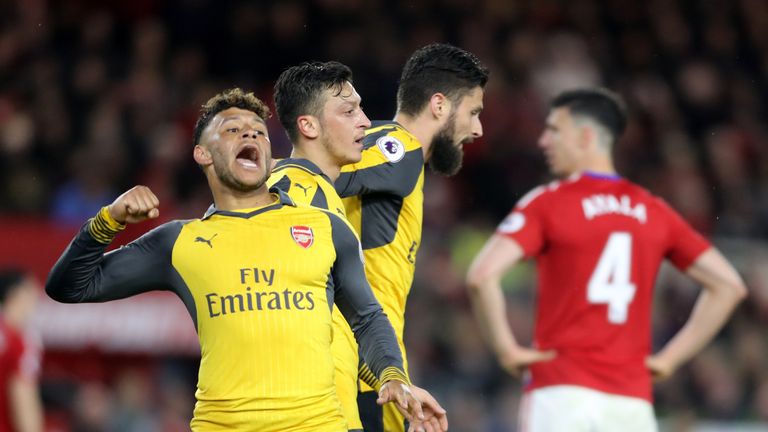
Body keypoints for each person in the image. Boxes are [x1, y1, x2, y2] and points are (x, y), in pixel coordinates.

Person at [46, 88, 425, 432]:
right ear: (202, 153)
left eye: (259, 131)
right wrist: (107, 221)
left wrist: (393, 375)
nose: (250, 136)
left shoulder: (325, 227)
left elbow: (367, 318)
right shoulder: (180, 241)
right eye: (232, 130)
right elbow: (70, 287)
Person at [465, 88, 747, 431]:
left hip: (562, 392)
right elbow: (728, 285)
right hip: (631, 403)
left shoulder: (550, 202)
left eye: (554, 129)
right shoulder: (653, 209)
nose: (543, 140)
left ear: (586, 136)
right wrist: (669, 360)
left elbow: (481, 275)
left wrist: (507, 349)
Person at [268, 61, 447, 432]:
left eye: (361, 109)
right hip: (304, 412)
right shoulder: (290, 196)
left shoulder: (330, 205)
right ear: (308, 125)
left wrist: (393, 382)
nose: (366, 122)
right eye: (349, 111)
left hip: (339, 406)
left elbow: (346, 322)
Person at [334, 43, 489, 432]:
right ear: (439, 105)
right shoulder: (397, 148)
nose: (477, 129)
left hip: (373, 373)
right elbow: (311, 176)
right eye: (472, 112)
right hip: (352, 374)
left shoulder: (404, 167)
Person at [0, 270, 43, 432]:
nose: (36, 296)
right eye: (31, 290)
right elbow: (23, 395)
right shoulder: (20, 341)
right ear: (15, 294)